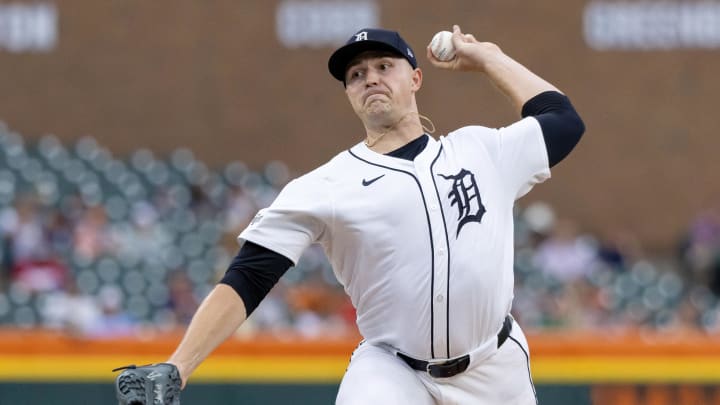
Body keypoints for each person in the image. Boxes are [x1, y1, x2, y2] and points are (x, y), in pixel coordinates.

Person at [163, 25, 584, 404]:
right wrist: (178, 367)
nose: (371, 78)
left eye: (385, 65)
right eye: (357, 75)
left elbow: (564, 120)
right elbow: (248, 276)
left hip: (495, 368)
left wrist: (489, 58)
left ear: (416, 78)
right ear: (349, 94)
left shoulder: (480, 151)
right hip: (394, 371)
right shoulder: (327, 185)